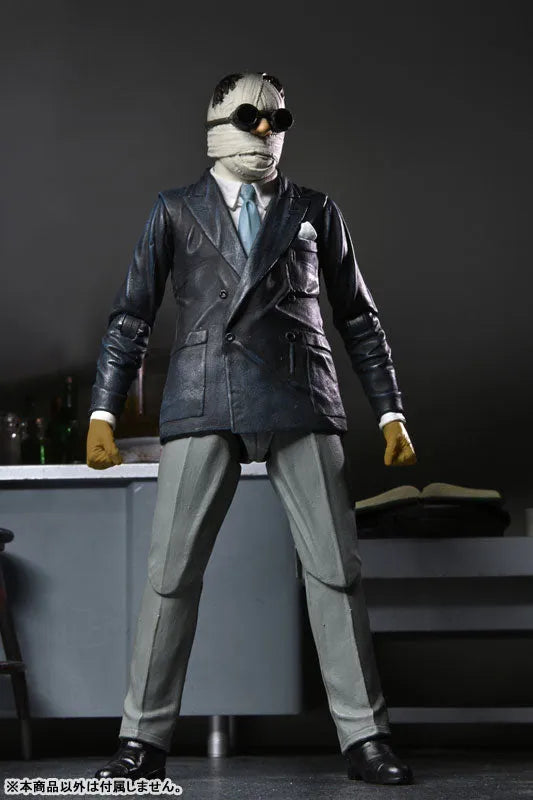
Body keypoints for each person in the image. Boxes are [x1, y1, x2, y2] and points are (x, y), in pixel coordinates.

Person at [87, 72, 417, 786]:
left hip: (301, 395)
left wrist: (389, 409)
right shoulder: (175, 209)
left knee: (336, 571)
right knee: (170, 573)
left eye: (277, 119)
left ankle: (365, 736)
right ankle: (141, 740)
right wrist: (103, 410)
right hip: (204, 394)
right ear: (215, 122)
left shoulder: (314, 209)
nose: (264, 132)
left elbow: (358, 316)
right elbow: (132, 314)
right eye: (248, 118)